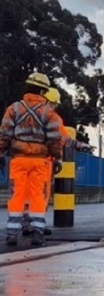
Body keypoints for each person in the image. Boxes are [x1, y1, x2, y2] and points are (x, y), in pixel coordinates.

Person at [21, 87, 94, 236]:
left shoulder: (26, 113)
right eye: (54, 104)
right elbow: (64, 139)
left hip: (23, 160)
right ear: (47, 101)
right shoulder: (53, 119)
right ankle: (36, 226)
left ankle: (26, 224)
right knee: (40, 195)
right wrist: (80, 146)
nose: (54, 107)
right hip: (42, 163)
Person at [0, 72, 63, 246]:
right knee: (37, 196)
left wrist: (0, 153)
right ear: (43, 92)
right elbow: (55, 140)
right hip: (40, 161)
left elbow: (4, 134)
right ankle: (37, 232)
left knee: (17, 195)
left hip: (18, 160)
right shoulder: (49, 113)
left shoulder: (14, 109)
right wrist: (57, 158)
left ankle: (12, 232)